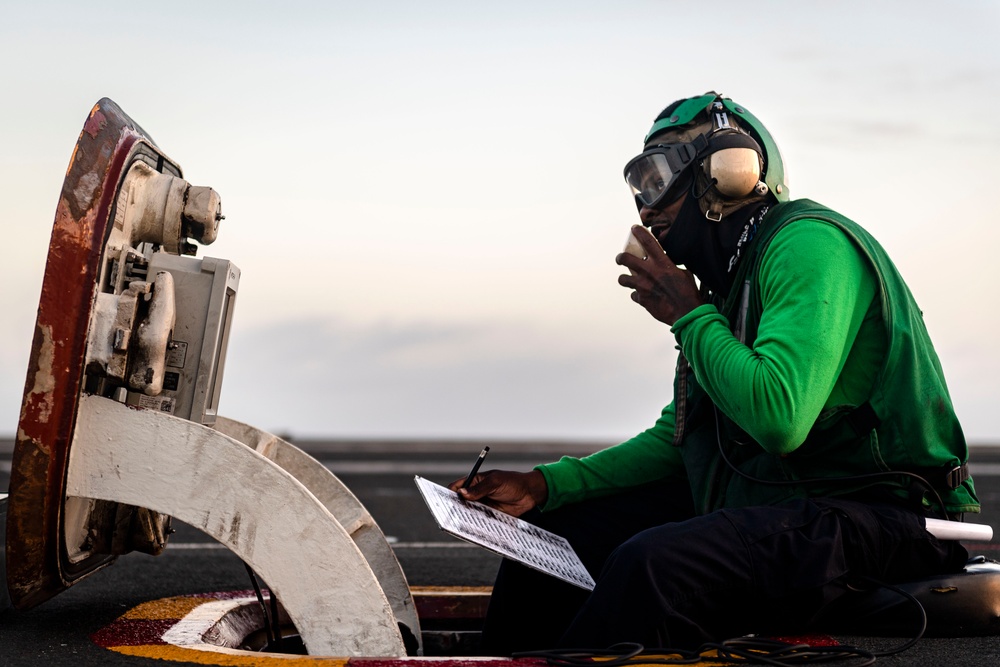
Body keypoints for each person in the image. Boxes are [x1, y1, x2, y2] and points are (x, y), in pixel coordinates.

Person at [449, 91, 979, 654]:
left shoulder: (807, 243)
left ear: (729, 170)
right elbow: (681, 441)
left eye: (658, 180)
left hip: (883, 517)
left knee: (656, 565)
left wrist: (687, 314)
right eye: (638, 188)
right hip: (787, 506)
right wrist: (544, 485)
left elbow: (779, 417)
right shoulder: (728, 289)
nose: (645, 208)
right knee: (559, 541)